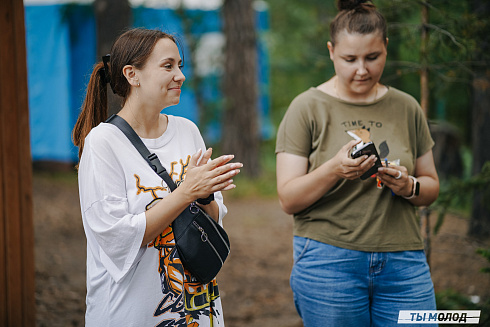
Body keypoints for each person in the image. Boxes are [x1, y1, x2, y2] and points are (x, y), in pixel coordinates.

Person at [275, 1, 440, 326]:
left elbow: (430, 186)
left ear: (386, 48)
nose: (361, 69)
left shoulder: (407, 107)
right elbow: (288, 198)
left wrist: (408, 186)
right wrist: (334, 169)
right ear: (331, 51)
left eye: (372, 57)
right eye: (350, 59)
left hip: (404, 262)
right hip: (328, 261)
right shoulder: (306, 108)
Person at [72, 28, 242, 326]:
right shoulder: (103, 143)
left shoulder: (187, 130)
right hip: (130, 314)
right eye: (168, 66)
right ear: (131, 74)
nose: (180, 76)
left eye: (180, 66)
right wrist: (186, 192)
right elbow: (118, 238)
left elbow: (212, 223)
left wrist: (204, 197)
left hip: (196, 311)